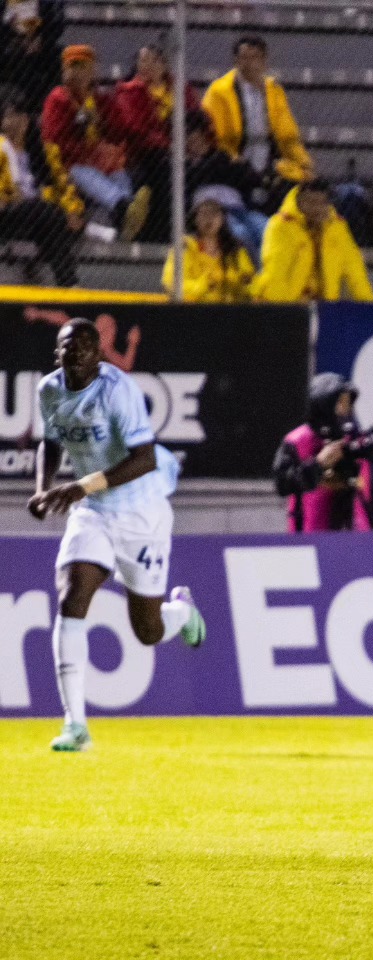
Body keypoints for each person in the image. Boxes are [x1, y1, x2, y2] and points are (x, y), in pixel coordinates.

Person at [29, 318, 206, 752]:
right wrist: (42, 487)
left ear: (98, 354)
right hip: (93, 512)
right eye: (70, 348)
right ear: (58, 353)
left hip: (141, 513)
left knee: (146, 629)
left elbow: (144, 458)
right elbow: (51, 441)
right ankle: (76, 726)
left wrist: (78, 486)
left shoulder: (117, 390)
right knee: (72, 596)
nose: (79, 355)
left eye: (88, 348)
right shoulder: (49, 390)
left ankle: (180, 613)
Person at [41, 44, 150, 241]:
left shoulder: (100, 99)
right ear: (65, 71)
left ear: (93, 70)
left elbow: (119, 132)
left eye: (84, 67)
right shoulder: (58, 99)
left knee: (117, 171)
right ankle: (124, 207)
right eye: (74, 67)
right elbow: (56, 141)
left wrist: (101, 124)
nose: (79, 73)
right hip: (70, 164)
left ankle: (126, 218)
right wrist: (88, 150)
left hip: (101, 160)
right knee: (83, 173)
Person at [201, 35, 312, 214]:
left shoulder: (274, 91)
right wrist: (238, 162)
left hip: (270, 165)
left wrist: (305, 165)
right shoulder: (219, 92)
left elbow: (288, 135)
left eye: (255, 57)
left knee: (300, 188)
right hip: (234, 163)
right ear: (236, 60)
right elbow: (213, 138)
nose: (250, 63)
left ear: (264, 61)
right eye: (244, 58)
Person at [111, 44, 199, 242]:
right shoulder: (128, 91)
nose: (148, 65)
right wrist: (169, 145)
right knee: (165, 168)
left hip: (179, 151)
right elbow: (134, 128)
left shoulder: (180, 89)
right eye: (143, 60)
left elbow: (196, 119)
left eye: (154, 60)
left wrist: (189, 144)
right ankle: (157, 234)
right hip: (142, 155)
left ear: (164, 64)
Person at [273, 373, 373, 532]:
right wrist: (318, 464)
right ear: (324, 406)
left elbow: (372, 497)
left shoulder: (357, 443)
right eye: (340, 404)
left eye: (348, 404)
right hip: (308, 542)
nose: (346, 411)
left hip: (358, 543)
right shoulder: (296, 442)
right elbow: (282, 485)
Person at [0, 93, 81, 286]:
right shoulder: (1, 148)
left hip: (34, 217)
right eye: (9, 116)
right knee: (48, 214)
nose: (15, 121)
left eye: (20, 116)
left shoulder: (39, 153)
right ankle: (68, 282)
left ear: (27, 120)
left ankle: (68, 283)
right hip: (7, 213)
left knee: (52, 222)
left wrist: (71, 210)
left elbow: (59, 184)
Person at [251, 179, 373, 303]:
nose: (317, 209)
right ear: (299, 200)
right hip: (288, 304)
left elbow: (355, 270)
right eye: (311, 202)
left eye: (321, 203)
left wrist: (370, 309)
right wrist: (279, 313)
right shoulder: (281, 226)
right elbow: (276, 274)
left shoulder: (337, 226)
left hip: (324, 308)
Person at [182, 110, 268, 259]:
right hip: (216, 212)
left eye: (198, 139)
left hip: (240, 209)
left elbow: (246, 178)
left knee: (265, 228)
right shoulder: (184, 166)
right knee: (241, 234)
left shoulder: (222, 156)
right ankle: (256, 275)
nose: (194, 144)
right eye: (190, 140)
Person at [162, 186, 255, 302]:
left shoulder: (235, 248)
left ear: (223, 218)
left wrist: (237, 283)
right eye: (203, 213)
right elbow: (170, 282)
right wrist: (204, 285)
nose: (208, 219)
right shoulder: (185, 246)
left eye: (214, 213)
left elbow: (249, 286)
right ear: (195, 218)